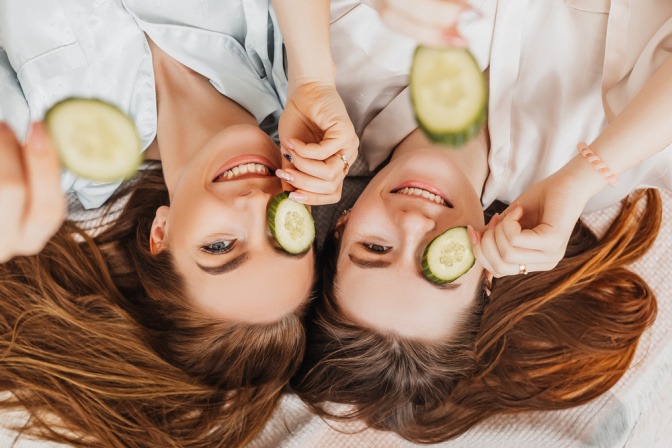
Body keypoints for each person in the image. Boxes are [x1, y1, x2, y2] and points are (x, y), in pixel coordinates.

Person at [291, 0, 672, 443]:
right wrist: (585, 174)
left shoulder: (333, 77)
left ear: (343, 225)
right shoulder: (590, 173)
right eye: (436, 266)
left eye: (375, 249)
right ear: (485, 275)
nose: (414, 223)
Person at [0, 0, 357, 446]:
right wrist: (313, 79)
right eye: (285, 236)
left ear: (161, 233)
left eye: (220, 247)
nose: (254, 203)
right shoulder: (286, 62)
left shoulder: (51, 152)